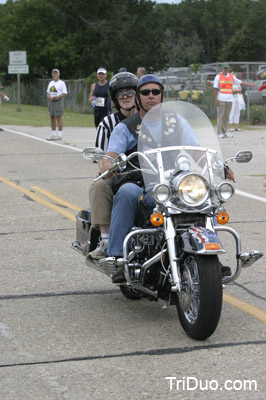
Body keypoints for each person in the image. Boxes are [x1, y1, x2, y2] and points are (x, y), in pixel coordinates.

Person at [93, 75, 201, 282]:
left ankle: (207, 252)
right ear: (138, 99)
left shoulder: (177, 121)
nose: (151, 96)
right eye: (145, 92)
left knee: (201, 195)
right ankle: (117, 257)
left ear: (162, 96)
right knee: (125, 192)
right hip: (138, 181)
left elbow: (196, 151)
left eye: (155, 92)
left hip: (172, 182)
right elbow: (112, 153)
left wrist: (218, 166)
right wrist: (107, 163)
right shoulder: (125, 127)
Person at [88, 72, 139, 260]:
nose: (125, 97)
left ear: (137, 95)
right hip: (119, 174)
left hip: (149, 172)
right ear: (115, 99)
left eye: (129, 93)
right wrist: (107, 167)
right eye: (120, 94)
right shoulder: (108, 123)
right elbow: (102, 156)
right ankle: (106, 239)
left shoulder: (150, 119)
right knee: (98, 185)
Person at [213, 64, 255, 138]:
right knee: (220, 116)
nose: (226, 70)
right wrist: (216, 99)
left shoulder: (231, 76)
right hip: (221, 98)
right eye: (225, 68)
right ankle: (219, 132)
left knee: (226, 116)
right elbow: (215, 89)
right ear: (222, 69)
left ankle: (225, 131)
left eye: (227, 68)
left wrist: (250, 85)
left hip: (229, 98)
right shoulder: (218, 77)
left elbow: (240, 82)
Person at [46, 69, 67, 141]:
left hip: (58, 101)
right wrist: (48, 96)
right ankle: (53, 134)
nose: (55, 74)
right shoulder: (51, 83)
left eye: (56, 73)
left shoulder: (61, 83)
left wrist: (57, 97)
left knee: (59, 117)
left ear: (58, 74)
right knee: (52, 117)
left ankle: (60, 134)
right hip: (51, 101)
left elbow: (64, 94)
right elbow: (48, 92)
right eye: (54, 73)